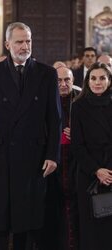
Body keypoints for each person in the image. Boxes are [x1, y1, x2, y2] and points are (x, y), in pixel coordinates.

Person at [0, 22, 61, 250]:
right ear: (7, 44)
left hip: (34, 156)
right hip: (1, 156)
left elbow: (55, 119)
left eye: (28, 41)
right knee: (0, 216)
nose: (25, 46)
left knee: (28, 217)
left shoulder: (47, 74)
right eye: (19, 42)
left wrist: (53, 155)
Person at [71, 62, 112, 250]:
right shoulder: (79, 105)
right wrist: (97, 170)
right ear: (87, 81)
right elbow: (77, 145)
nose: (98, 82)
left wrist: (108, 170)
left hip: (111, 171)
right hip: (89, 174)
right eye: (93, 78)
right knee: (90, 227)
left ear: (109, 80)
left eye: (102, 78)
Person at [55, 66, 80, 250]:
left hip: (76, 161)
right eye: (59, 81)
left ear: (73, 81)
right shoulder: (47, 99)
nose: (63, 84)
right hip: (55, 160)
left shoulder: (80, 100)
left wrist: (78, 133)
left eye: (67, 80)